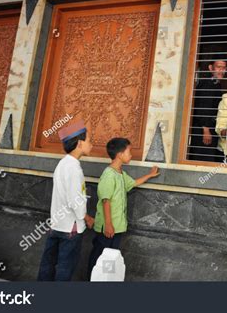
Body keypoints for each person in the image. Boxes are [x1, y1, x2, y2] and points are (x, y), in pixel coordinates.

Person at [87, 138, 159, 279]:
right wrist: (108, 224)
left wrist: (150, 175)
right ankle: (91, 279)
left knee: (111, 256)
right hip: (108, 227)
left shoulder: (120, 173)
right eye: (129, 151)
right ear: (119, 154)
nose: (131, 154)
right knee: (99, 256)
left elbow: (133, 183)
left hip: (117, 226)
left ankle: (105, 280)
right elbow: (105, 200)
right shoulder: (109, 174)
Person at [37, 120, 95, 281]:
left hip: (56, 224)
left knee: (48, 265)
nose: (92, 144)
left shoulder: (63, 164)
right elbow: (75, 200)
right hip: (71, 228)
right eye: (89, 141)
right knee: (65, 268)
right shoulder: (74, 168)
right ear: (80, 143)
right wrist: (87, 218)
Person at [188, 57, 226, 162]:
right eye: (218, 67)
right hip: (203, 130)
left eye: (224, 68)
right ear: (211, 68)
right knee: (203, 159)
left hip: (207, 128)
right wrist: (206, 129)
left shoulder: (216, 83)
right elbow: (203, 106)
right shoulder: (208, 83)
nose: (221, 70)